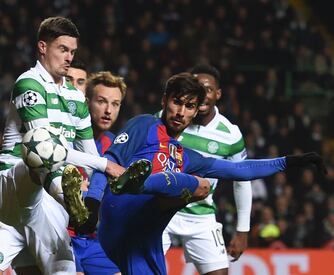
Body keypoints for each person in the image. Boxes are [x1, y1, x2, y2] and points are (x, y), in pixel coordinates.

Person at [83, 72, 325, 275]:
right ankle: (138, 184)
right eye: (177, 102)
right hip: (122, 214)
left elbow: (238, 170)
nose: (180, 112)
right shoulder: (145, 124)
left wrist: (289, 161)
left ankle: (141, 183)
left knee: (203, 183)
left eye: (189, 106)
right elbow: (109, 160)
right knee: (198, 184)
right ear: (164, 100)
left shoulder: (185, 156)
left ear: (196, 110)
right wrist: (93, 202)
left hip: (146, 235)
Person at [0, 16, 124, 275]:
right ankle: (68, 197)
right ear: (43, 47)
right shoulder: (28, 84)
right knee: (41, 149)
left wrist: (97, 196)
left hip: (46, 205)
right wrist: (105, 165)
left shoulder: (76, 97)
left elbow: (90, 155)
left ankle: (69, 200)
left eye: (73, 52)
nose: (69, 58)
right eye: (63, 49)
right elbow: (43, 147)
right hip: (9, 193)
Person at [162, 64, 252, 275]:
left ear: (218, 94)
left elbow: (242, 180)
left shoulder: (230, 134)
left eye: (208, 90)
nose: (202, 96)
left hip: (201, 216)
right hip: (162, 210)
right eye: (197, 90)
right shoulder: (170, 118)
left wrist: (243, 230)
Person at [68, 71, 126, 275]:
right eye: (101, 101)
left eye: (115, 104)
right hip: (62, 237)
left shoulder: (118, 146)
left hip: (96, 240)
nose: (108, 110)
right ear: (87, 101)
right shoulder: (68, 137)